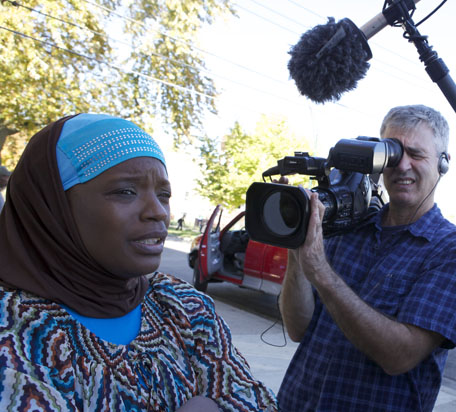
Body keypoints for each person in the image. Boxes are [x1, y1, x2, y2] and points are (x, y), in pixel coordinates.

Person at [0, 114, 278, 411]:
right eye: (125, 191)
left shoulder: (182, 306)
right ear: (51, 208)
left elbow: (251, 399)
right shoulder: (14, 333)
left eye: (164, 195)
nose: (157, 212)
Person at [277, 104, 456, 411]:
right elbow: (298, 329)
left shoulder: (455, 250)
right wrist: (297, 250)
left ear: (443, 163)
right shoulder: (346, 227)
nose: (402, 166)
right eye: (393, 154)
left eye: (416, 154)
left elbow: (399, 356)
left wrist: (321, 271)